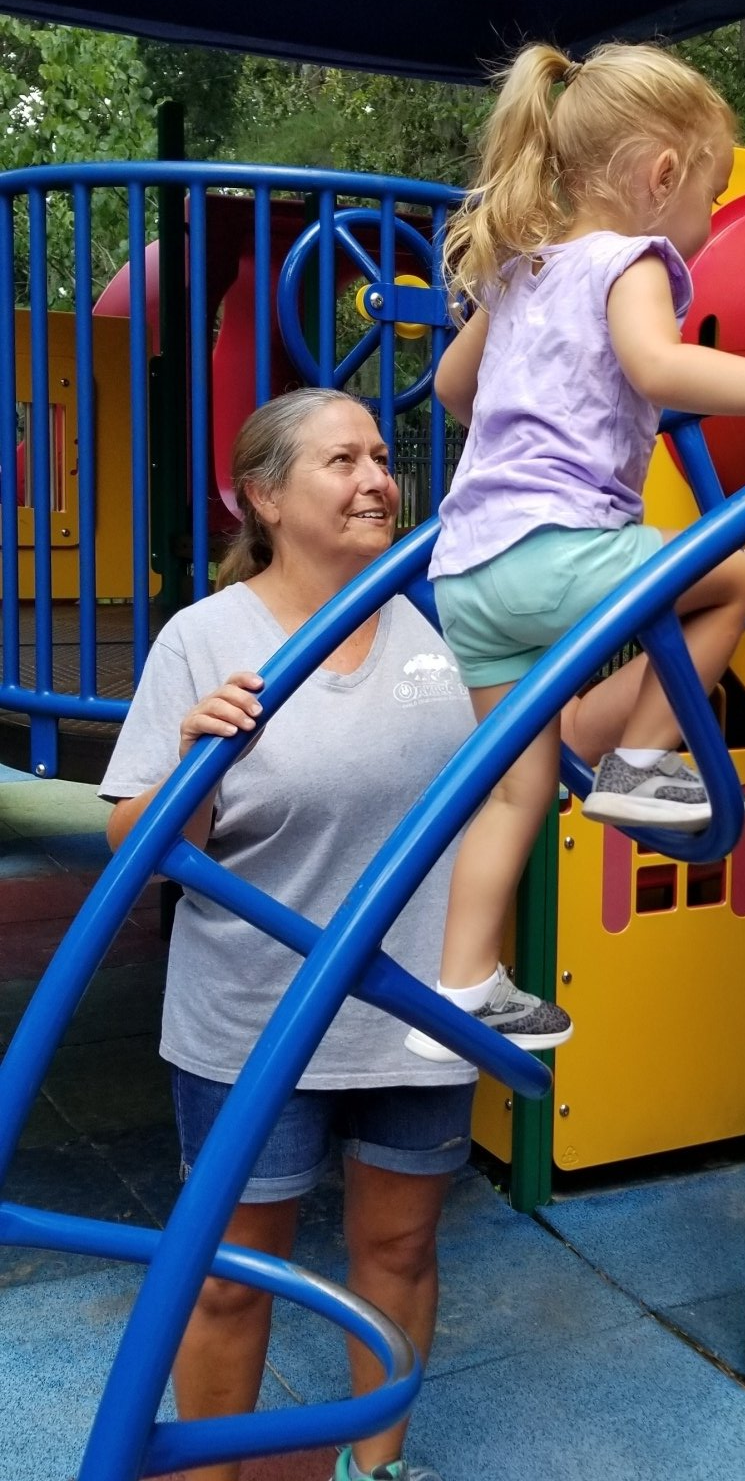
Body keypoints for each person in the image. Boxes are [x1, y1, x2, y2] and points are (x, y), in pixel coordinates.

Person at [407, 40, 745, 1063]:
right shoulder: (633, 261)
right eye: (708, 198)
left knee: (515, 785)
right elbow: (658, 363)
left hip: (468, 571)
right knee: (734, 577)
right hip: (559, 545)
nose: (705, 227)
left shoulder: (520, 268)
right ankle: (638, 764)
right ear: (662, 175)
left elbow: (450, 390)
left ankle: (463, 988)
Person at [100, 388, 485, 1481]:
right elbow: (138, 843)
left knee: (400, 1248)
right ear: (263, 496)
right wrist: (192, 760)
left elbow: (544, 744)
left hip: (413, 1010)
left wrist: (691, 625)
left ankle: (379, 1467)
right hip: (253, 1012)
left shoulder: (440, 617)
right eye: (339, 460)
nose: (374, 478)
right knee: (228, 1276)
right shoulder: (205, 638)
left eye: (379, 456)